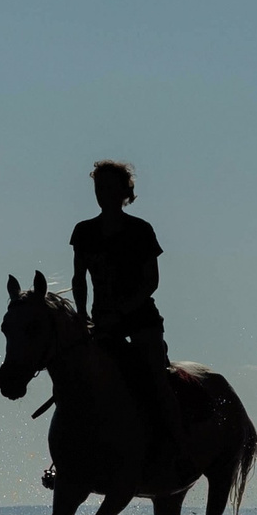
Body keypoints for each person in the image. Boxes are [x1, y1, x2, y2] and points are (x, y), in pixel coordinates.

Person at [70, 159, 189, 467]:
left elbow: (151, 282)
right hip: (100, 323)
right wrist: (82, 315)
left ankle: (177, 448)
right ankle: (70, 455)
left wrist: (121, 312)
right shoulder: (84, 231)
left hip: (141, 320)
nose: (103, 194)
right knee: (77, 380)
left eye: (109, 188)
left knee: (156, 378)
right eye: (99, 188)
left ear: (124, 192)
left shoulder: (140, 230)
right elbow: (79, 279)